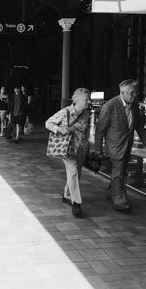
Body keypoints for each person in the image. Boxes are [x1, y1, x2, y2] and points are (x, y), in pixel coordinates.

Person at [94, 79, 146, 213]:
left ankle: (111, 192)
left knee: (121, 171)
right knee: (119, 172)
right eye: (132, 92)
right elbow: (100, 129)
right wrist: (98, 148)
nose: (135, 95)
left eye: (136, 92)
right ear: (123, 92)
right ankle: (120, 201)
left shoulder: (134, 105)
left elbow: (139, 126)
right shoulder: (110, 106)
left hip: (128, 144)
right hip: (114, 145)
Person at [45, 88, 92, 217]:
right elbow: (48, 123)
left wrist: (87, 146)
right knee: (74, 172)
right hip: (68, 148)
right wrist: (59, 129)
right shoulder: (65, 112)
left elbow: (85, 131)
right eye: (86, 99)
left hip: (81, 147)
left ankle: (67, 195)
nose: (89, 102)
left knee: (76, 174)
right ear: (76, 100)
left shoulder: (87, 113)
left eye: (89, 99)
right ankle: (76, 203)